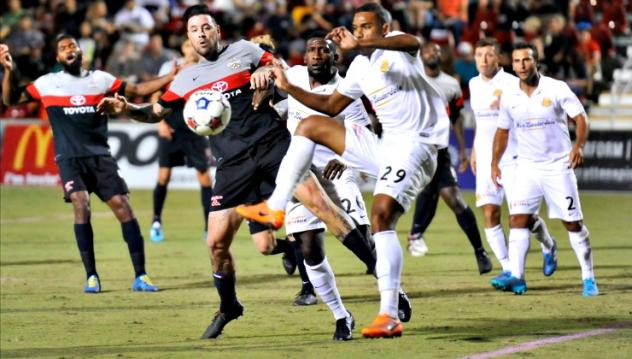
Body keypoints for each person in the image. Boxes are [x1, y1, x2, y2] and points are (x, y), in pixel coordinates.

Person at [97, 5, 372, 341]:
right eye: (194, 29)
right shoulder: (185, 79)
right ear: (188, 37)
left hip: (273, 147)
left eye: (206, 27)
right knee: (215, 243)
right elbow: (154, 112)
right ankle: (229, 306)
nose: (201, 33)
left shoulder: (245, 50)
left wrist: (267, 74)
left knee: (323, 208)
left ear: (217, 31)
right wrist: (126, 109)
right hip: (232, 163)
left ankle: (379, 271)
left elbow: (280, 70)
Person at [238, 3, 449, 338]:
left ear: (383, 26)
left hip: (418, 145)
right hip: (386, 146)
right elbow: (330, 107)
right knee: (309, 125)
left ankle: (389, 313)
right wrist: (288, 89)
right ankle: (274, 208)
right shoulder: (360, 70)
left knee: (380, 218)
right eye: (356, 26)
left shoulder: (398, 47)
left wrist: (361, 44)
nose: (359, 31)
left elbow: (413, 43)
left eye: (366, 26)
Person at [0, 35, 176, 293]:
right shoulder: (48, 83)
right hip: (70, 159)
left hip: (101, 157)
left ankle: (141, 276)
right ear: (58, 58)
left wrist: (171, 75)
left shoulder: (100, 79)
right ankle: (92, 276)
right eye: (62, 48)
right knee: (81, 205)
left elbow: (138, 91)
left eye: (72, 45)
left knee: (124, 208)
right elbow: (10, 100)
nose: (69, 49)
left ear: (81, 52)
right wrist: (8, 70)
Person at [490, 43, 598, 296]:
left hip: (558, 167)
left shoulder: (556, 88)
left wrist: (578, 146)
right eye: (516, 61)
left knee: (572, 223)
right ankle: (517, 277)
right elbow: (503, 131)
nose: (521, 66)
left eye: (526, 60)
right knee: (518, 219)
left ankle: (588, 278)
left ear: (536, 63)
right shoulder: (509, 96)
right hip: (526, 167)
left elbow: (581, 118)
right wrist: (495, 162)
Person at [469, 38, 558, 289]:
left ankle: (549, 244)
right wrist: (476, 149)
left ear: (499, 58)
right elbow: (480, 121)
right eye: (479, 55)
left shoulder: (512, 83)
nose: (483, 60)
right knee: (489, 212)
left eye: (488, 55)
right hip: (488, 158)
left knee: (523, 218)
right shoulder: (473, 84)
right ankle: (509, 269)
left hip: (516, 157)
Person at [406, 42, 493, 275]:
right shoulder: (412, 81)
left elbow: (456, 119)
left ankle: (479, 251)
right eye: (426, 51)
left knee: (453, 199)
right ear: (420, 56)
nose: (431, 53)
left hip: (441, 151)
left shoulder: (451, 84)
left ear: (440, 56)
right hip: (418, 149)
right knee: (432, 194)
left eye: (435, 51)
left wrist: (463, 150)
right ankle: (413, 236)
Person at [148, 39, 214, 242]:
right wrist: (160, 123)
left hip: (196, 130)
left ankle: (208, 226)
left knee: (204, 177)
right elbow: (156, 93)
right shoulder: (171, 67)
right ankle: (156, 222)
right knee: (163, 176)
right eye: (186, 45)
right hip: (172, 128)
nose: (190, 47)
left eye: (192, 45)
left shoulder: (208, 67)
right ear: (183, 49)